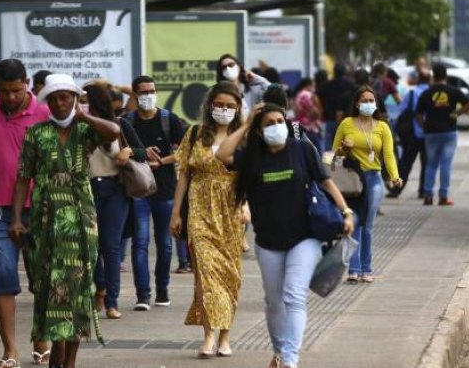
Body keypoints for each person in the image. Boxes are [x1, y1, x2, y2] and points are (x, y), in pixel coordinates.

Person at [216, 103, 354, 368]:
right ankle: (279, 352)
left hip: (305, 237)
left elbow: (326, 180)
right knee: (274, 301)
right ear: (259, 130)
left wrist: (345, 210)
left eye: (280, 120)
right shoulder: (252, 157)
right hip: (268, 242)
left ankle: (290, 360)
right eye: (268, 123)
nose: (276, 126)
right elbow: (222, 155)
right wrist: (246, 124)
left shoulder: (302, 149)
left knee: (294, 295)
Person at [9, 73, 120, 368]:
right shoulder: (36, 133)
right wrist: (17, 218)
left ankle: (68, 361)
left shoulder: (85, 131)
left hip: (80, 222)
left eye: (66, 97)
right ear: (47, 102)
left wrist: (85, 117)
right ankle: (54, 351)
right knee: (47, 289)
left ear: (74, 99)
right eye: (54, 98)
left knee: (77, 290)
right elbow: (22, 179)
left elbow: (113, 132)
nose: (60, 103)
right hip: (44, 222)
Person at [0, 59, 51, 368]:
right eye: (5, 91)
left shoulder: (44, 112)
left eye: (16, 90)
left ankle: (41, 338)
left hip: (38, 209)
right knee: (1, 278)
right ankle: (10, 350)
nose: (11, 98)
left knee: (41, 279)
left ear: (27, 83)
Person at [169, 81, 246, 358]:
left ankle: (226, 336)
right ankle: (209, 335)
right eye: (219, 105)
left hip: (231, 210)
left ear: (237, 108)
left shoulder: (243, 137)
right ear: (209, 105)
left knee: (229, 275)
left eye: (230, 106)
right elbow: (184, 175)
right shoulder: (194, 134)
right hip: (199, 208)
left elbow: (249, 175)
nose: (224, 110)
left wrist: (247, 205)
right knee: (204, 273)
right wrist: (176, 212)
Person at [125, 75, 188, 310]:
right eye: (143, 92)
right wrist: (139, 153)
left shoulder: (168, 119)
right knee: (140, 242)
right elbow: (119, 150)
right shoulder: (127, 121)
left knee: (165, 243)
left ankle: (162, 290)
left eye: (152, 91)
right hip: (138, 189)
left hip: (165, 190)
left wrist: (162, 161)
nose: (148, 96)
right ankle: (143, 294)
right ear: (135, 95)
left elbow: (185, 151)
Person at [84, 82, 142, 320]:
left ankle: (112, 301)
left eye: (88, 102)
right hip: (87, 189)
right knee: (93, 245)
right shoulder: (79, 127)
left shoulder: (119, 125)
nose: (84, 106)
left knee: (111, 245)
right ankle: (100, 288)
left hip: (115, 189)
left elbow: (141, 151)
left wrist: (128, 152)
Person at [333, 86, 401, 283]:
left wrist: (395, 176)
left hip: (373, 179)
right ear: (357, 103)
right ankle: (353, 270)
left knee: (367, 225)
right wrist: (343, 150)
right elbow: (332, 157)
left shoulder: (382, 127)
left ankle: (366, 268)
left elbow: (388, 155)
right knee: (354, 224)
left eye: (372, 101)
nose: (369, 104)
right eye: (365, 101)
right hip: (353, 181)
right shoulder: (347, 123)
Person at [415, 64, 469, 206]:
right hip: (449, 132)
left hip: (431, 133)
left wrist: (424, 126)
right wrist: (456, 113)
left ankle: (428, 196)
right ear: (446, 76)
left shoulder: (427, 93)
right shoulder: (453, 90)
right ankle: (443, 196)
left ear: (433, 76)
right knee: (446, 164)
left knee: (431, 164)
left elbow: (418, 113)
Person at [388, 69, 431, 199]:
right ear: (429, 80)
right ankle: (423, 190)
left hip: (412, 134)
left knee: (406, 162)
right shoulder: (431, 93)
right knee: (427, 163)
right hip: (428, 133)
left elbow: (401, 109)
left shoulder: (412, 93)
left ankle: (396, 190)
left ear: (418, 79)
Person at [216, 53, 270, 118]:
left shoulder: (252, 90)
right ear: (221, 72)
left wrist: (256, 78)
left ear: (238, 67)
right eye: (224, 67)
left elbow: (272, 91)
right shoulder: (219, 94)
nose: (228, 68)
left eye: (231, 65)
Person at [316, 62, 355, 150]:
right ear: (345, 72)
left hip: (330, 119)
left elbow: (316, 96)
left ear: (334, 72)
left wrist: (321, 110)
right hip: (346, 121)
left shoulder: (326, 85)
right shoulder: (350, 85)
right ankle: (340, 163)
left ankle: (328, 163)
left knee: (329, 147)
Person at [292, 77, 324, 153]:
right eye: (313, 86)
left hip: (299, 127)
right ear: (308, 85)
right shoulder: (306, 95)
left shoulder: (298, 95)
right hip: (310, 129)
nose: (314, 88)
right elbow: (314, 113)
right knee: (316, 154)